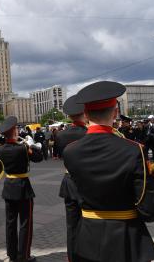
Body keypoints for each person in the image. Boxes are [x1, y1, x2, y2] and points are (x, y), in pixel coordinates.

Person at [64, 81, 154, 262]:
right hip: (126, 238)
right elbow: (148, 211)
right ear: (115, 112)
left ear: (85, 114)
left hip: (87, 238)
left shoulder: (70, 151)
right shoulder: (134, 150)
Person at [0, 116, 43, 262]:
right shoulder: (23, 148)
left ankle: (12, 254)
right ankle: (24, 255)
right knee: (25, 223)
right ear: (14, 130)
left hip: (9, 187)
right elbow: (39, 158)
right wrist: (32, 145)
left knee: (10, 223)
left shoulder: (0, 149)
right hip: (23, 188)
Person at [55, 95, 87, 262]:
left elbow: (61, 156)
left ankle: (72, 258)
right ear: (84, 112)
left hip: (68, 182)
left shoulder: (60, 135)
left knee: (72, 226)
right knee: (89, 224)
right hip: (87, 184)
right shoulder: (89, 133)